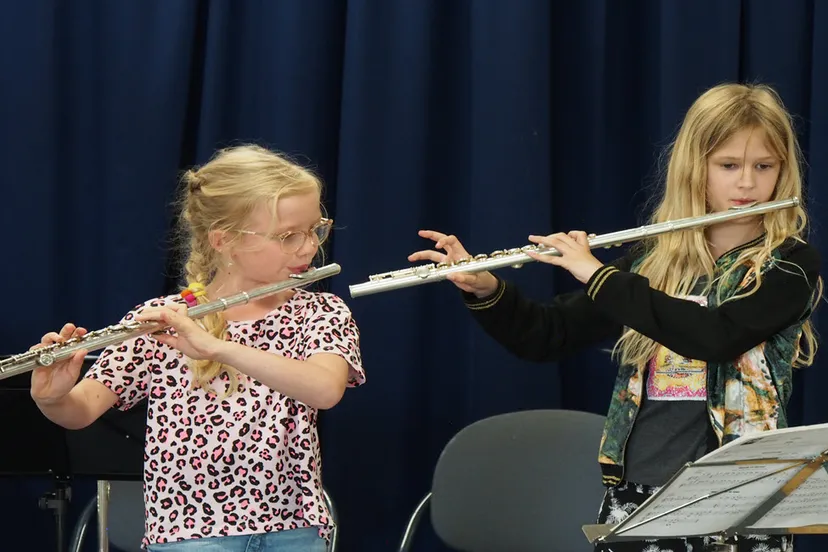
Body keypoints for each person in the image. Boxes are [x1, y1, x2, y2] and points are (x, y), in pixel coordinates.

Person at [408, 83, 821, 552]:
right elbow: (548, 336)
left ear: (782, 171)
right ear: (695, 169)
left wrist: (597, 274)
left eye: (763, 166)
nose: (746, 183)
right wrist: (487, 289)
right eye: (728, 165)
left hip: (740, 496)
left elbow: (716, 337)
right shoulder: (652, 262)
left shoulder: (788, 265)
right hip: (638, 493)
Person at [29, 145, 364, 551]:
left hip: (293, 528)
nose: (308, 247)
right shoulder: (162, 319)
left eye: (315, 229)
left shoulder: (321, 311)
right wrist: (52, 397)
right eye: (288, 236)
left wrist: (216, 347)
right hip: (187, 534)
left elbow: (324, 390)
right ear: (224, 240)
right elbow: (80, 410)